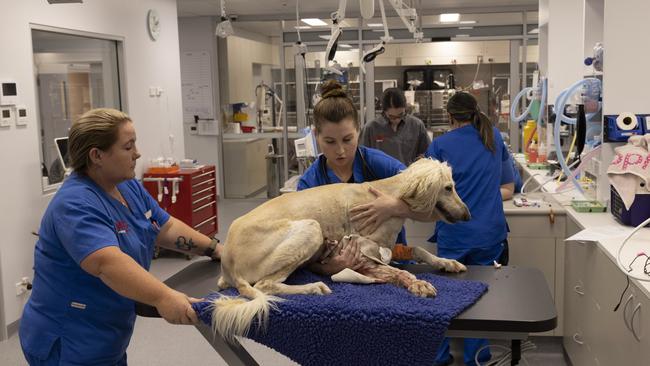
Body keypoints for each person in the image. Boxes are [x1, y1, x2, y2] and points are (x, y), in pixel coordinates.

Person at [19, 108, 224, 365]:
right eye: (128, 147)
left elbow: (164, 227)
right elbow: (108, 263)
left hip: (106, 335)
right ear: (97, 156)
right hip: (68, 340)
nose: (137, 153)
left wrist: (216, 249)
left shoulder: (126, 186)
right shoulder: (75, 204)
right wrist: (164, 297)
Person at [425, 92, 514, 366]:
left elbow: (427, 193)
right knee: (479, 298)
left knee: (443, 299)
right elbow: (509, 183)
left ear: (450, 117)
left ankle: (439, 357)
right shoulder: (494, 137)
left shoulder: (439, 146)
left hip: (456, 235)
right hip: (489, 233)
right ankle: (478, 358)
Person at [298, 81, 417, 274]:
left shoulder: (379, 164)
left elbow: (427, 202)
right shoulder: (309, 184)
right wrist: (328, 268)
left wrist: (394, 206)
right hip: (338, 280)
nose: (340, 151)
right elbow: (299, 251)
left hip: (393, 264)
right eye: (329, 142)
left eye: (347, 139)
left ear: (358, 131)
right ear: (315, 136)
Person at [360, 87, 431, 166]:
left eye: (401, 115)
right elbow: (361, 159)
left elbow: (428, 154)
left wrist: (423, 160)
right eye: (392, 117)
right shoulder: (371, 128)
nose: (396, 120)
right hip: (381, 177)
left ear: (405, 108)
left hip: (408, 176)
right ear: (384, 111)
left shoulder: (417, 126)